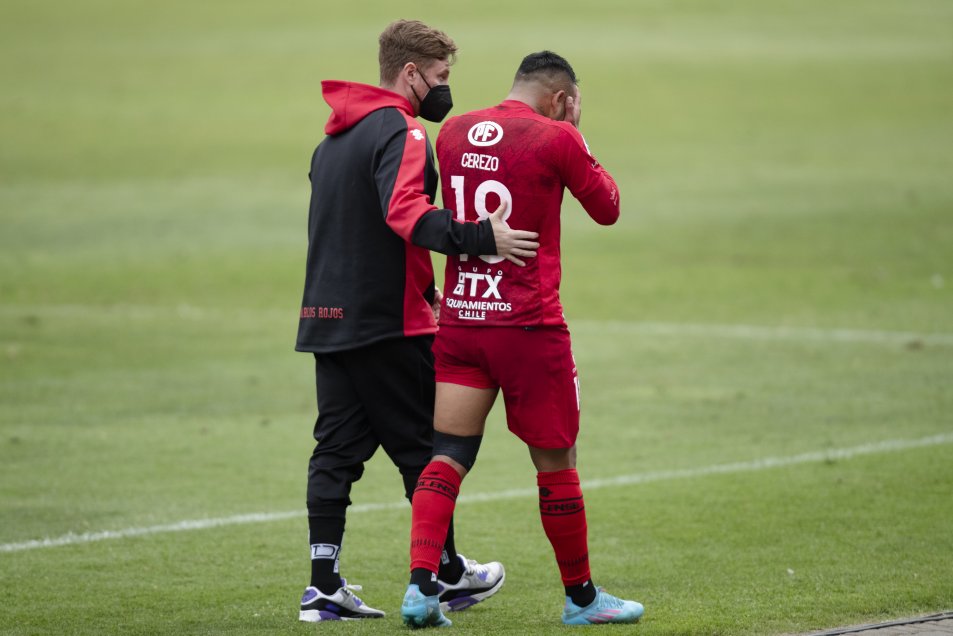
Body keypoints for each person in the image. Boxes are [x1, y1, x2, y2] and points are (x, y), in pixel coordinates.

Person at [294, 20, 540, 622]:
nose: (442, 90)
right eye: (440, 78)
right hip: (388, 322)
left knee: (336, 451)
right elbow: (405, 214)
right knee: (428, 452)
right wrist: (482, 237)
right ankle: (449, 575)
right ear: (410, 73)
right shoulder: (401, 131)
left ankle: (322, 585)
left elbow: (350, 231)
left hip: (328, 317)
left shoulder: (331, 142)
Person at [399, 51, 645, 628]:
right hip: (529, 325)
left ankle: (420, 589)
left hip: (461, 321)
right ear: (561, 99)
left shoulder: (453, 131)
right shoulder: (555, 135)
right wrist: (572, 132)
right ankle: (582, 599)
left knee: (448, 454)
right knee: (556, 461)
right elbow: (607, 207)